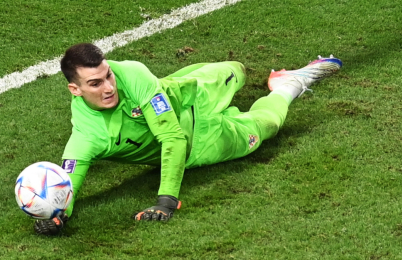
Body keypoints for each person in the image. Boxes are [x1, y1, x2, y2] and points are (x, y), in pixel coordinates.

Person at [33, 43, 342, 235]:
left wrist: (164, 202)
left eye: (108, 75)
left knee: (237, 70)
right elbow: (67, 183)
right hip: (201, 141)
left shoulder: (133, 73)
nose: (109, 86)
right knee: (266, 125)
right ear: (76, 90)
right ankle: (288, 86)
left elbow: (167, 134)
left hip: (189, 90)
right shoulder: (85, 136)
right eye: (95, 83)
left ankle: (244, 82)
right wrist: (57, 216)